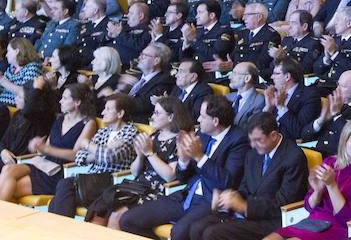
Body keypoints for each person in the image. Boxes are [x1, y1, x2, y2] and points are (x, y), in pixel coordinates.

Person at [118, 95, 251, 240]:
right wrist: (183, 160)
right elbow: (182, 177)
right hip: (186, 195)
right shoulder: (203, 133)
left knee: (178, 232)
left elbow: (228, 181)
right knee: (128, 220)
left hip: (211, 200)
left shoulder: (239, 140)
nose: (198, 120)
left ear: (215, 121)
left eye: (202, 116)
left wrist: (200, 157)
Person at [181, 111, 309, 240]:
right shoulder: (253, 153)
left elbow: (284, 203)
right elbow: (245, 187)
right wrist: (227, 199)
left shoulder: (293, 157)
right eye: (251, 140)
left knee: (213, 233)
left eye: (258, 140)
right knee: (196, 228)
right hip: (247, 213)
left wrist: (245, 206)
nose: (252, 145)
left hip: (272, 220)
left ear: (274, 136)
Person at [87, 97, 193, 228]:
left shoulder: (180, 140)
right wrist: (140, 156)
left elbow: (170, 175)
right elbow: (134, 171)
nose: (152, 117)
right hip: (138, 186)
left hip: (160, 192)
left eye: (157, 113)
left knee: (116, 216)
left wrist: (149, 153)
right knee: (99, 212)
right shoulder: (153, 136)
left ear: (171, 117)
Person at [265, 119, 351, 240]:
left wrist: (331, 185)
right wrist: (317, 191)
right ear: (345, 141)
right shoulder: (330, 162)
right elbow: (308, 206)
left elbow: (347, 219)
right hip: (312, 223)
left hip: (337, 228)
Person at [0, 82, 96, 203]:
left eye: (65, 98)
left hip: (61, 170)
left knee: (10, 188)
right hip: (45, 163)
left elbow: (75, 154)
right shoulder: (60, 119)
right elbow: (48, 145)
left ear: (77, 102)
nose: (60, 101)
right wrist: (39, 146)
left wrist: (47, 149)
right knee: (8, 169)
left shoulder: (88, 123)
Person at [48, 93, 141, 218]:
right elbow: (79, 157)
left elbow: (109, 158)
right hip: (91, 180)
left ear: (120, 114)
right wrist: (105, 149)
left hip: (111, 183)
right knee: (60, 194)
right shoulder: (104, 131)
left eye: (108, 109)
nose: (103, 112)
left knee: (62, 190)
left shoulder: (131, 133)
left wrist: (87, 145)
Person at [302, 70, 351, 156]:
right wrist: (321, 120)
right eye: (338, 85)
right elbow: (305, 136)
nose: (337, 89)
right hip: (319, 152)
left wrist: (337, 115)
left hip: (341, 158)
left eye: (342, 86)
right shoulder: (336, 103)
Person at [0, 80, 59, 167]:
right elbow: (4, 140)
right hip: (5, 158)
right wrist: (3, 151)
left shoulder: (41, 119)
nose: (15, 98)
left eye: (20, 97)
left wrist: (37, 89)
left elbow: (30, 111)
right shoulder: (18, 114)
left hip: (22, 163)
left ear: (29, 100)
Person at [264, 57, 319, 141]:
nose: (272, 77)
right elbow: (260, 126)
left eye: (276, 74)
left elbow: (298, 132)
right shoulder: (274, 92)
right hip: (268, 140)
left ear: (287, 77)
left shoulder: (309, 96)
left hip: (287, 144)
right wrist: (268, 108)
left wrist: (281, 108)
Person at [128, 42, 176, 123]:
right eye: (141, 54)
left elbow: (142, 105)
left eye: (144, 55)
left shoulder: (165, 81)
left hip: (141, 124)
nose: (139, 58)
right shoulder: (136, 78)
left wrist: (118, 98)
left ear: (156, 61)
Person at [0, 38, 44, 105]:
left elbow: (26, 93)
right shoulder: (11, 68)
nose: (6, 55)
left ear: (16, 51)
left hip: (14, 109)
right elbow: (2, 89)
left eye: (8, 51)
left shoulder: (32, 67)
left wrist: (2, 80)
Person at [226, 61, 266, 131]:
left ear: (247, 78)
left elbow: (250, 130)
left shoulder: (259, 102)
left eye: (234, 73)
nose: (229, 77)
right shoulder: (227, 97)